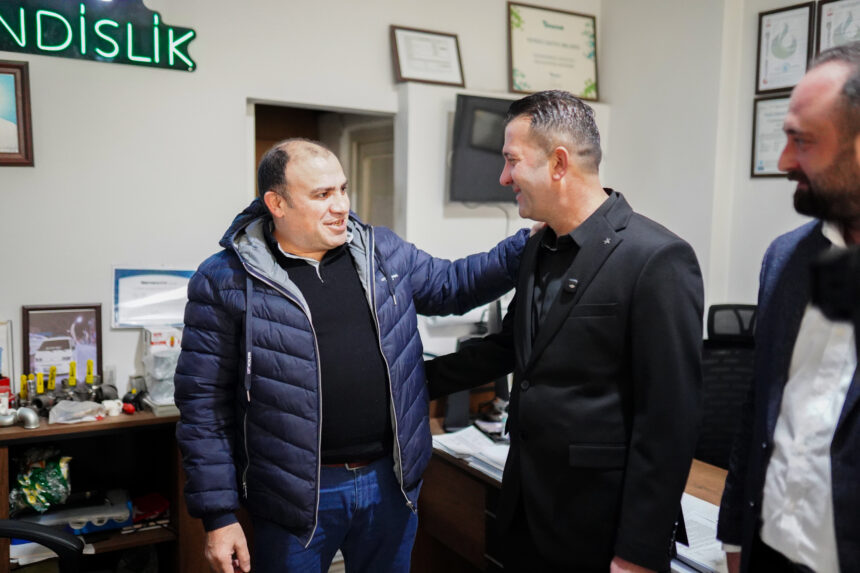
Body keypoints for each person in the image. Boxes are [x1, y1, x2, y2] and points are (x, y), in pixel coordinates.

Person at [174, 138, 528, 573]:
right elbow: (203, 405)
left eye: (342, 189)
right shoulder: (225, 278)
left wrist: (526, 243)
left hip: (389, 482)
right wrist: (218, 516)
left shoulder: (381, 252)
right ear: (277, 204)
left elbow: (454, 285)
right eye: (322, 194)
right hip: (293, 496)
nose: (341, 205)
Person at [426, 90, 704, 572]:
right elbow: (507, 348)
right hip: (527, 513)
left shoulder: (656, 258)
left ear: (557, 163)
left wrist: (638, 552)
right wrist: (405, 380)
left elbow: (669, 421)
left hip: (600, 527)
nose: (503, 177)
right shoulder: (539, 248)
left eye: (512, 161)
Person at [717, 43, 860, 573]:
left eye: (803, 141)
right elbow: (759, 407)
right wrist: (734, 539)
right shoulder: (785, 259)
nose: (783, 162)